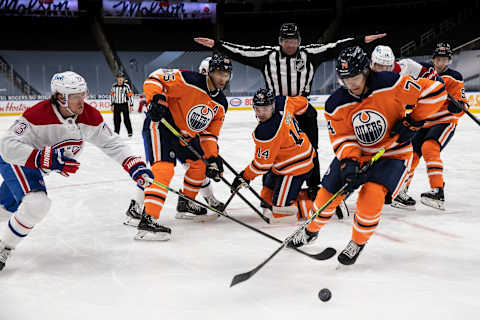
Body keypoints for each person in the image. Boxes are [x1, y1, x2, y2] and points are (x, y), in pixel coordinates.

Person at [290, 47, 449, 266]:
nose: (351, 84)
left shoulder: (390, 82)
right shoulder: (335, 104)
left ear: (366, 70)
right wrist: (349, 163)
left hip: (393, 152)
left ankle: (357, 242)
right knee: (326, 197)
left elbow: (435, 91)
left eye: (354, 77)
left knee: (371, 197)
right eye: (345, 79)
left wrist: (414, 121)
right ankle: (310, 230)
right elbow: (343, 139)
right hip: (359, 154)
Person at [195, 23, 386, 201]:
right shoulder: (267, 55)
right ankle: (270, 184)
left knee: (312, 150)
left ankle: (313, 186)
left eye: (294, 41)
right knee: (273, 150)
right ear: (280, 41)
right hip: (276, 111)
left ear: (299, 41)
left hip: (303, 109)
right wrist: (216, 45)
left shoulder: (310, 53)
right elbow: (241, 52)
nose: (291, 44)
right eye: (287, 41)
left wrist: (362, 40)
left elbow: (335, 46)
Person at [0, 71, 153, 270]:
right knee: (37, 204)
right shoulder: (37, 114)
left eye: (83, 94)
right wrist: (44, 158)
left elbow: (112, 144)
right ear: (60, 98)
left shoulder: (88, 115)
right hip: (17, 161)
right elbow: (6, 145)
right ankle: (5, 248)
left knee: (5, 208)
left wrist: (135, 165)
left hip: (36, 169)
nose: (82, 101)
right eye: (75, 97)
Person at [136, 53, 231, 241]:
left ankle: (186, 203)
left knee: (201, 165)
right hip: (161, 126)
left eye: (226, 74)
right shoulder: (189, 79)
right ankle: (148, 220)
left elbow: (209, 134)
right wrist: (156, 99)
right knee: (164, 170)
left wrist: (212, 158)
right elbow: (154, 78)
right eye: (219, 73)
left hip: (184, 136)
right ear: (210, 72)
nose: (222, 78)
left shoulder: (221, 104)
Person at [230, 89, 315, 224]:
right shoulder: (283, 102)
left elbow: (262, 165)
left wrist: (245, 176)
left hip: (294, 168)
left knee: (280, 213)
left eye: (266, 109)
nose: (261, 113)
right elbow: (303, 103)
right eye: (258, 109)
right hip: (291, 159)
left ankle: (323, 203)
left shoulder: (267, 131)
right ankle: (310, 194)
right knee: (266, 199)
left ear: (273, 106)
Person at [110, 72, 134, 137]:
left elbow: (130, 96)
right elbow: (112, 96)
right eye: (119, 78)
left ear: (123, 79)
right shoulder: (114, 86)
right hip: (116, 105)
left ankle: (130, 132)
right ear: (117, 79)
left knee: (126, 119)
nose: (120, 79)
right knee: (116, 120)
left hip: (124, 104)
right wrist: (112, 105)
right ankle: (116, 133)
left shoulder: (126, 86)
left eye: (121, 78)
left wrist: (131, 105)